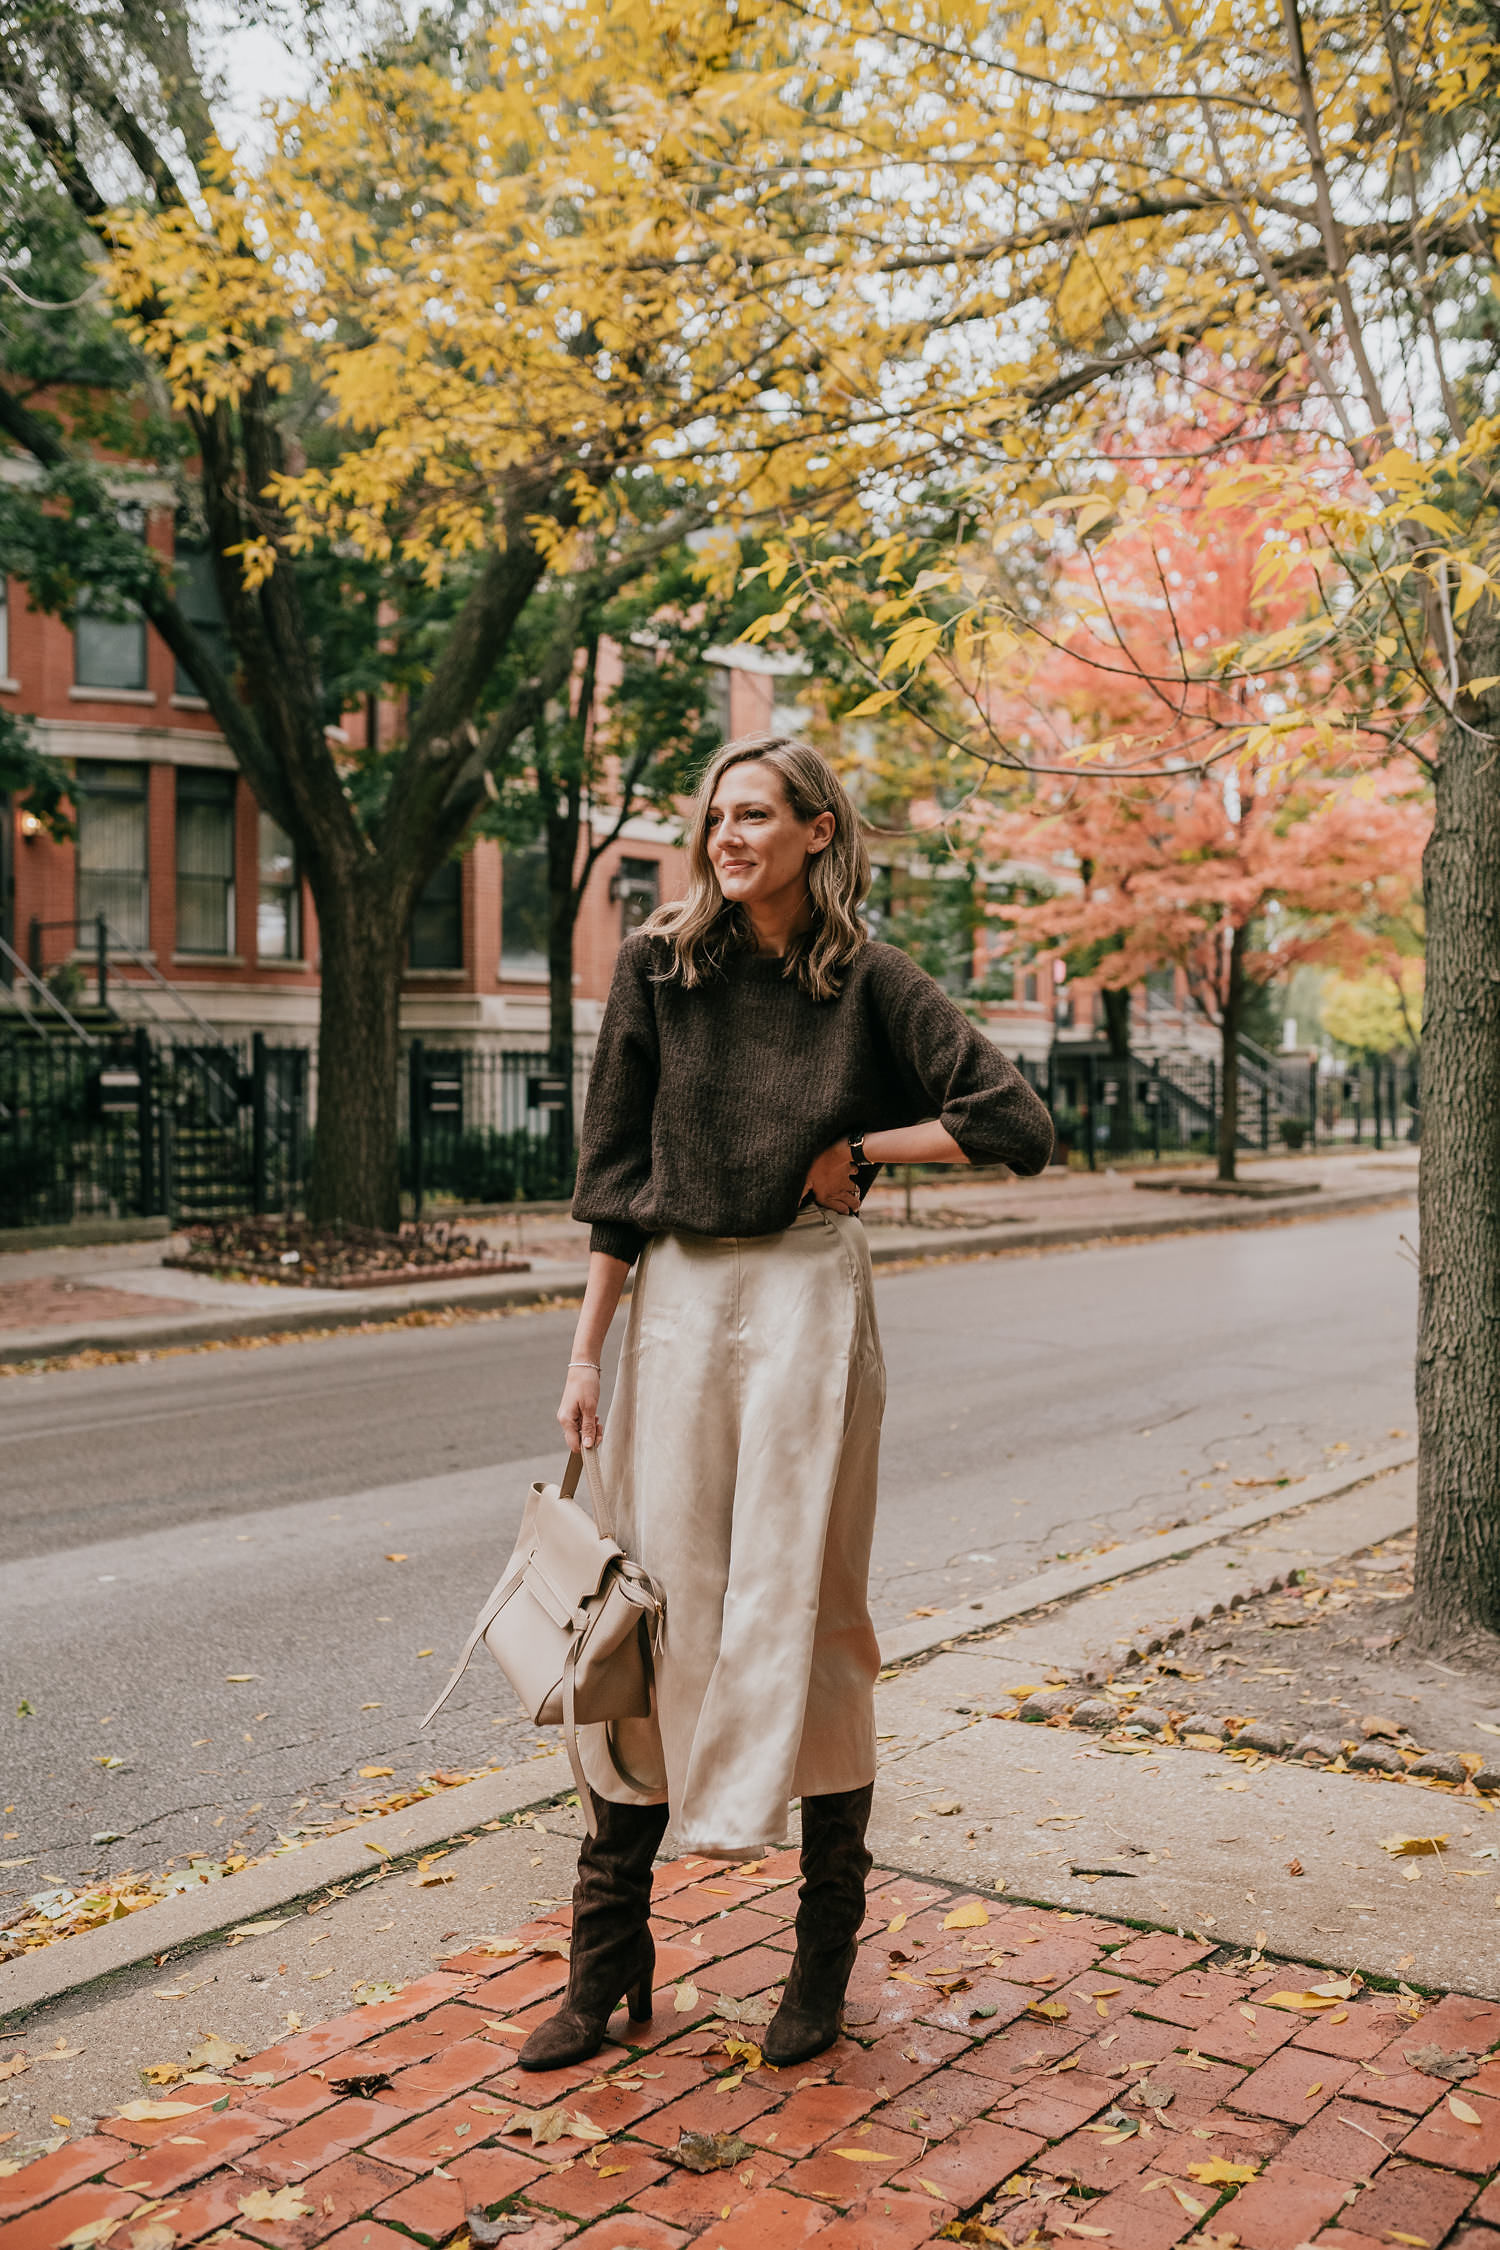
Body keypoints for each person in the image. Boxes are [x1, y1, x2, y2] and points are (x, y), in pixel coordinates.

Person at [518, 733, 1054, 2074]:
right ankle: (607, 1957)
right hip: (680, 1297)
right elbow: (612, 1173)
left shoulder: (867, 979)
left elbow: (1015, 1120)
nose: (727, 836)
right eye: (716, 816)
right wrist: (586, 1354)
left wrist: (858, 1146)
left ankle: (819, 1960)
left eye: (755, 813)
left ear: (819, 829)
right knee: (650, 1598)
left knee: (809, 1606)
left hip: (813, 1300)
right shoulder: (658, 966)